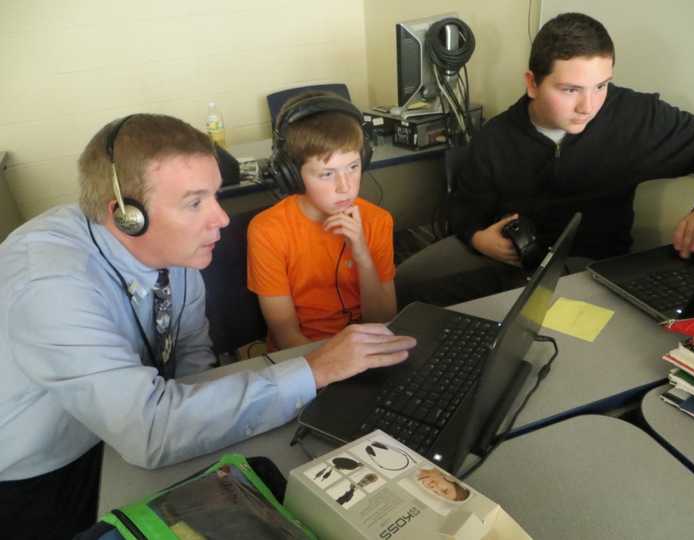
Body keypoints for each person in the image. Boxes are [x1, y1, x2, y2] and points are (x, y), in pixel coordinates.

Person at [0, 114, 415, 539]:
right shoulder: (49, 283)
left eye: (215, 196)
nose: (221, 218)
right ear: (126, 216)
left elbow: (194, 357)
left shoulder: (177, 255)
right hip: (43, 475)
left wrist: (200, 428)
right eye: (195, 202)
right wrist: (315, 370)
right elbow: (148, 431)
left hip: (124, 439)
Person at [396, 12, 694, 307]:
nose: (588, 106)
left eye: (601, 86)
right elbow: (463, 205)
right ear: (532, 83)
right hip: (507, 255)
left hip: (588, 263)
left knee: (527, 311)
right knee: (407, 282)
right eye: (570, 90)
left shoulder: (635, 117)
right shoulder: (496, 137)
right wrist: (479, 237)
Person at [247, 92, 397, 350]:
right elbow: (286, 336)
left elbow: (383, 320)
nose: (345, 187)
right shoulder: (268, 231)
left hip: (368, 348)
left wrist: (362, 254)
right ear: (292, 176)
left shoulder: (377, 221)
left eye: (353, 167)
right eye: (327, 174)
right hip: (304, 357)